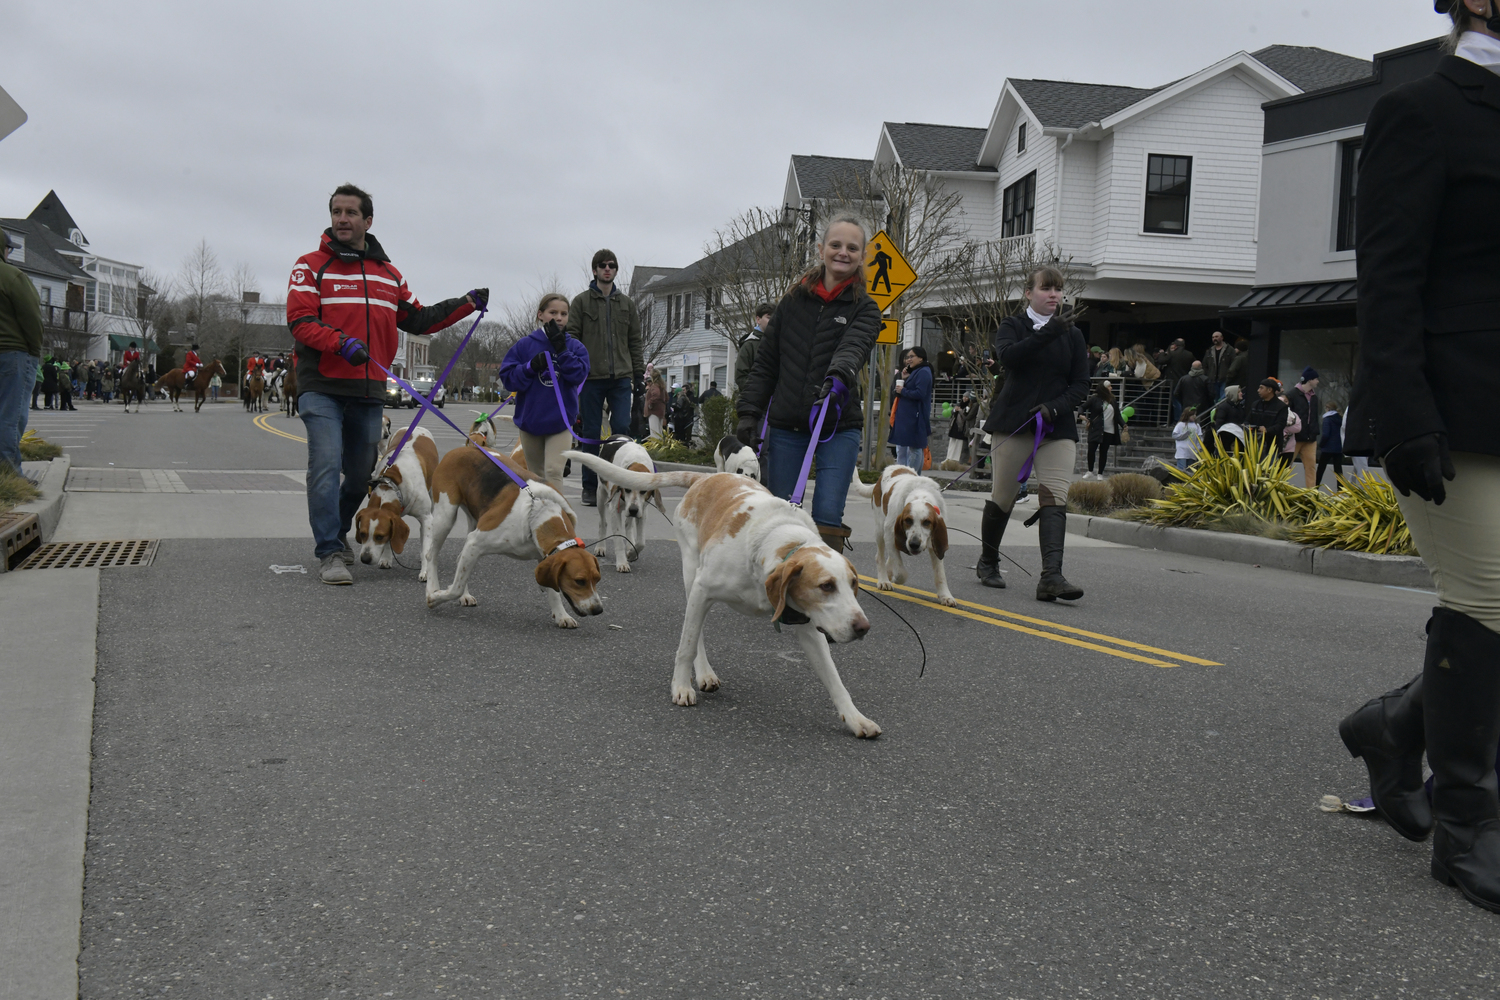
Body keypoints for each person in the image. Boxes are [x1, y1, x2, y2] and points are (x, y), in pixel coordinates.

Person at [1337, 0, 1500, 913]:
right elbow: (1387, 273)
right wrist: (1401, 411)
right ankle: (1466, 828)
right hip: (1455, 403)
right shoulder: (1422, 109)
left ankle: (1394, 726)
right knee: (1490, 601)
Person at [286, 182, 484, 585]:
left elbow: (419, 319)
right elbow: (300, 321)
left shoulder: (387, 274)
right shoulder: (309, 266)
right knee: (325, 465)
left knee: (360, 476)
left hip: (368, 389)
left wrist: (466, 303)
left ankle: (339, 532)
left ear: (367, 220)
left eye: (351, 212)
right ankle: (329, 552)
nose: (343, 218)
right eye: (336, 212)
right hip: (321, 385)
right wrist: (341, 343)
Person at [736, 214, 880, 555]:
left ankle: (819, 590)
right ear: (821, 249)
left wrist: (837, 379)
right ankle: (783, 584)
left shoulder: (866, 308)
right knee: (783, 513)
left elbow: (853, 348)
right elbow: (767, 362)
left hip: (837, 423)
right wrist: (749, 411)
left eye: (852, 247)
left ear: (862, 255)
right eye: (835, 245)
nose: (842, 252)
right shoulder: (792, 301)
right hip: (787, 425)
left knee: (828, 513)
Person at [974, 266, 1090, 599]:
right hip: (1014, 423)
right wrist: (1047, 332)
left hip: (1057, 426)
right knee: (1004, 496)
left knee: (1055, 496)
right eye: (1046, 289)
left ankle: (1051, 577)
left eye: (1058, 289)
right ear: (1028, 293)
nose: (1054, 295)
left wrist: (1054, 407)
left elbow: (1081, 384)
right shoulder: (1013, 325)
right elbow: (1010, 358)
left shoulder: (1072, 333)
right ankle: (988, 561)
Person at [568, 249, 643, 508]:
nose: (607, 269)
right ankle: (590, 487)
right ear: (595, 270)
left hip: (621, 376)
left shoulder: (627, 304)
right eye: (602, 265)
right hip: (591, 377)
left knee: (621, 430)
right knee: (590, 433)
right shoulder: (580, 302)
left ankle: (619, 484)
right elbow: (572, 339)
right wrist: (576, 370)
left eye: (612, 265)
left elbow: (635, 341)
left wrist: (639, 375)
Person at [500, 292, 590, 487]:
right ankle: (539, 515)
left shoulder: (575, 347)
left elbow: (579, 375)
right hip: (531, 422)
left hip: (561, 422)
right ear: (540, 315)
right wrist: (529, 367)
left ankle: (556, 516)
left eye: (564, 314)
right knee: (536, 475)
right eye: (553, 312)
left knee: (553, 471)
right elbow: (508, 378)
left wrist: (562, 350)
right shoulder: (524, 345)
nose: (559, 318)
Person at [0, 244, 43, 473]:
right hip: (12, 353)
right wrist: (35, 351)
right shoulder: (12, 276)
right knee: (10, 416)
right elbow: (31, 316)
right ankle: (7, 474)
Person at [889, 345, 933, 470]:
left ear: (920, 358)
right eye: (907, 357)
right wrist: (904, 380)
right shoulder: (915, 372)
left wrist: (903, 390)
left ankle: (913, 476)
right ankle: (903, 475)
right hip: (906, 416)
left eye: (912, 357)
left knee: (915, 448)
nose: (908, 360)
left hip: (915, 416)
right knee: (904, 447)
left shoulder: (924, 372)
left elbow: (920, 393)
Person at [1239, 378, 1289, 460]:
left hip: (1272, 446)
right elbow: (1248, 420)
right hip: (1254, 445)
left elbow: (1280, 425)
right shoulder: (1255, 404)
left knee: (1267, 471)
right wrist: (1246, 426)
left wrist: (1267, 430)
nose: (1258, 390)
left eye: (1261, 388)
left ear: (1269, 390)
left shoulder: (1281, 406)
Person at [1287, 367, 1320, 486]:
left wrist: (1314, 431)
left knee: (1311, 467)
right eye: (1316, 379)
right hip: (1294, 437)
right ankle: (1278, 490)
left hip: (1310, 438)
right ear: (1309, 380)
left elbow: (1315, 416)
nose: (1318, 381)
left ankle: (1311, 495)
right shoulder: (1292, 395)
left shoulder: (1315, 397)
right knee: (1286, 466)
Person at [1081, 381, 1121, 480]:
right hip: (1096, 428)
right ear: (1103, 388)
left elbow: (1118, 415)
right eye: (1109, 386)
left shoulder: (1112, 400)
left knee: (1104, 452)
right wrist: (1081, 415)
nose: (1111, 388)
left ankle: (1100, 473)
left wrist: (1124, 425)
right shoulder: (1095, 399)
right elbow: (1082, 406)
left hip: (1109, 430)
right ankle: (1090, 471)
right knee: (1091, 450)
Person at [735, 304, 772, 391]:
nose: (773, 321)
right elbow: (741, 377)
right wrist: (759, 390)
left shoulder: (780, 343)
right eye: (769, 317)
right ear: (758, 319)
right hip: (757, 400)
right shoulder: (749, 345)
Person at [1317, 403, 1345, 489]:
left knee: (1320, 469)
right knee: (1338, 470)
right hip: (1338, 448)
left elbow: (1325, 435)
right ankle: (1341, 490)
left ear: (1327, 408)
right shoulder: (1340, 418)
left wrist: (1320, 444)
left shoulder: (1327, 419)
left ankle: (1315, 487)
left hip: (1327, 448)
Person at [1203, 330, 1236, 401]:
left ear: (1222, 338)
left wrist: (1229, 375)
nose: (1214, 338)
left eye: (1216, 337)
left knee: (1223, 399)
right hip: (1212, 379)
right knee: (1214, 399)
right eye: (1213, 337)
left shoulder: (1230, 350)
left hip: (1224, 379)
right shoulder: (1209, 351)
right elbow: (1205, 365)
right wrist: (1207, 375)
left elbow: (1233, 364)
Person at [946, 390, 976, 465]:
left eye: (966, 397)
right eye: (964, 396)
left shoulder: (969, 406)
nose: (964, 398)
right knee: (952, 442)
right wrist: (954, 410)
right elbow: (952, 413)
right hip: (955, 425)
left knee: (959, 444)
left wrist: (960, 411)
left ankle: (955, 460)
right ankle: (949, 458)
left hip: (962, 427)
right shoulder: (959, 404)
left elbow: (966, 416)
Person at [644, 370, 667, 438]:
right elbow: (666, 398)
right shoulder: (662, 386)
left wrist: (650, 404)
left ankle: (656, 447)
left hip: (653, 411)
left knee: (654, 433)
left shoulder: (654, 386)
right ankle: (660, 446)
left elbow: (656, 395)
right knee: (659, 432)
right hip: (660, 410)